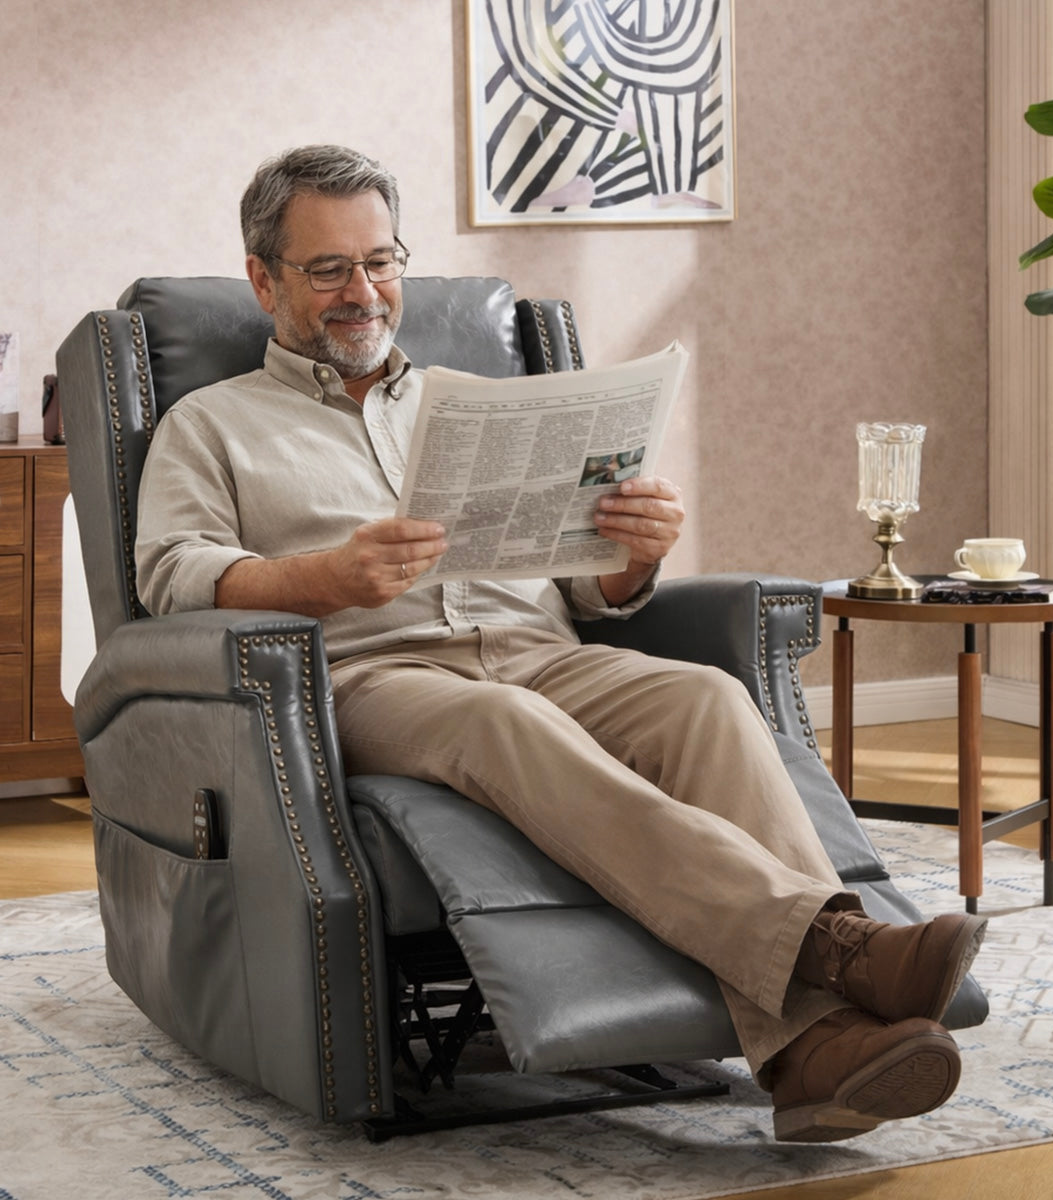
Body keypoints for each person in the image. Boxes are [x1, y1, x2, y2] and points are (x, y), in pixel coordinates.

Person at [134, 144, 987, 1143]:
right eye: (328, 270)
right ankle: (844, 952)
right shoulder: (212, 424)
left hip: (540, 645)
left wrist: (632, 556)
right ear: (264, 279)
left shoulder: (477, 400)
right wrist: (320, 578)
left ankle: (812, 1053)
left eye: (381, 260)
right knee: (502, 719)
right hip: (376, 675)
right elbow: (171, 579)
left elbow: (589, 581)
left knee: (703, 698)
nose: (363, 292)